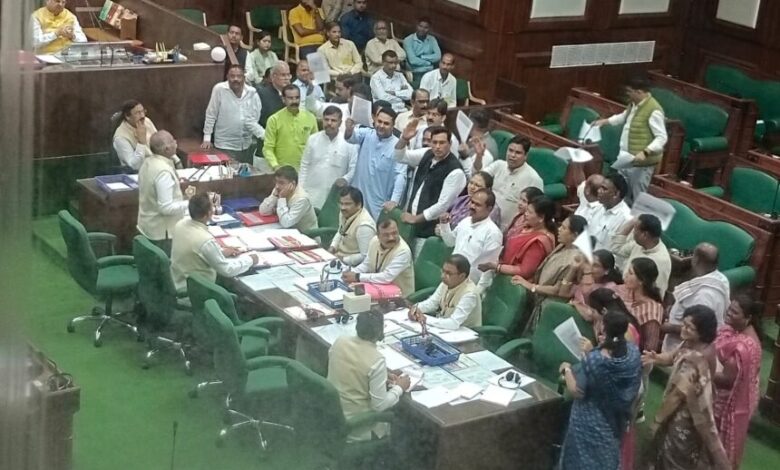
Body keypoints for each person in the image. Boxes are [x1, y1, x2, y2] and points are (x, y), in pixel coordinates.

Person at [642, 305, 731, 470]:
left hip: (685, 415)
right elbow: (673, 356)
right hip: (684, 408)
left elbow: (678, 395)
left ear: (702, 332)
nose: (684, 329)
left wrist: (657, 421)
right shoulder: (691, 343)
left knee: (674, 456)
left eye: (690, 327)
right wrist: (655, 358)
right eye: (684, 324)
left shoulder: (697, 358)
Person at [558, 311, 642, 470]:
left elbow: (577, 391)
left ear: (603, 329)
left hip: (590, 420)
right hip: (615, 420)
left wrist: (567, 370)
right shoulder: (632, 353)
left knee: (580, 460)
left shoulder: (596, 360)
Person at [327, 310, 411, 441]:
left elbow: (349, 368)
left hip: (333, 415)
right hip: (356, 425)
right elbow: (380, 406)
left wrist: (382, 375)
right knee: (405, 416)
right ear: (380, 332)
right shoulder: (376, 360)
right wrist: (400, 388)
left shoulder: (340, 342)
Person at [593, 76, 668, 204]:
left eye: (629, 91)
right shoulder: (634, 104)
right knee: (621, 190)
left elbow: (662, 137)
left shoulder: (654, 110)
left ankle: (639, 221)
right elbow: (623, 117)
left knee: (638, 195)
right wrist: (605, 121)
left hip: (641, 163)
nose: (627, 94)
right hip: (626, 158)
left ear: (639, 92)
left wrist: (645, 152)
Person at [512, 215, 587, 334]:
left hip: (550, 306)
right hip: (540, 299)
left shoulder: (575, 258)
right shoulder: (563, 246)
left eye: (564, 228)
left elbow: (558, 290)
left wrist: (531, 286)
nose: (559, 229)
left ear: (575, 235)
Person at [170, 193, 259, 291]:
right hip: (196, 293)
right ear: (207, 214)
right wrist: (250, 260)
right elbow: (227, 270)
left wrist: (220, 252)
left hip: (178, 282)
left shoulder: (180, 224)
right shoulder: (205, 240)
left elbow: (196, 252)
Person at [713, 295, 762, 469]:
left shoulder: (745, 345)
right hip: (731, 393)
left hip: (731, 401)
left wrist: (701, 370)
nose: (729, 313)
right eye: (730, 308)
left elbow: (727, 381)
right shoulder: (733, 331)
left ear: (748, 318)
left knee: (718, 444)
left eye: (735, 312)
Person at [394, 126, 466, 240]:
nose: (437, 147)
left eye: (442, 143)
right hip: (411, 223)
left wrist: (416, 219)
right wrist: (404, 139)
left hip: (429, 231)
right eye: (434, 142)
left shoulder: (455, 171)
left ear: (450, 144)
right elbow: (399, 157)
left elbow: (442, 205)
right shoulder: (427, 153)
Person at [662, 243, 730, 352]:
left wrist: (670, 327)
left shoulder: (703, 296)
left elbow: (699, 331)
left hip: (685, 350)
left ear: (696, 260)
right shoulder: (721, 279)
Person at [137, 131, 194, 254]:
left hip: (147, 225)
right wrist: (190, 203)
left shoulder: (147, 162)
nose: (176, 142)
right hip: (162, 234)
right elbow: (166, 208)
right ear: (167, 148)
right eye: (173, 140)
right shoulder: (163, 172)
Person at [478, 196, 556, 283]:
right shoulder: (527, 226)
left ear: (541, 218)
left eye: (530, 212)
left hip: (514, 283)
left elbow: (525, 271)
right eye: (526, 210)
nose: (525, 214)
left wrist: (497, 267)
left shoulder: (539, 242)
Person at [346, 108, 405, 219]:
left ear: (393, 126)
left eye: (386, 123)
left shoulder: (398, 145)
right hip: (357, 195)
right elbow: (350, 138)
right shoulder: (367, 133)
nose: (381, 125)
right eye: (379, 121)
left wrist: (394, 201)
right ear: (375, 121)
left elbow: (400, 176)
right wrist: (349, 129)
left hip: (378, 201)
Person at [201, 64, 264, 164]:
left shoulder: (252, 93)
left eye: (239, 76)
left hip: (247, 145)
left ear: (244, 77)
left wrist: (261, 135)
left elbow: (255, 118)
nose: (236, 79)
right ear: (227, 77)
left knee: (246, 176)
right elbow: (211, 114)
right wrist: (207, 138)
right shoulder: (219, 89)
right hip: (225, 145)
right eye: (232, 76)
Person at [439, 189, 503, 285]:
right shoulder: (465, 221)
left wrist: (476, 293)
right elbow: (450, 242)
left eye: (477, 205)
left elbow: (488, 271)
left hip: (469, 285)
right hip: (450, 277)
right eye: (472, 202)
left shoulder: (493, 233)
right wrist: (444, 224)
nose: (472, 206)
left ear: (489, 209)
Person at [479, 136, 543, 230]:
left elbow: (537, 210)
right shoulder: (499, 165)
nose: (512, 155)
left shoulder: (534, 179)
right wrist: (479, 156)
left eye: (518, 153)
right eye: (510, 150)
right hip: (484, 220)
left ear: (526, 156)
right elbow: (479, 178)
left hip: (508, 229)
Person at [299, 106, 357, 209]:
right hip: (311, 194)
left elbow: (353, 169)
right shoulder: (313, 139)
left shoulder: (349, 143)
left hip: (335, 197)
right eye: (326, 119)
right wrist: (300, 190)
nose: (329, 123)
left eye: (333, 120)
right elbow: (304, 166)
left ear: (340, 122)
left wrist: (345, 179)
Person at [342, 219, 415, 296]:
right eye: (386, 235)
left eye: (394, 233)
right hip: (377, 288)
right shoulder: (374, 241)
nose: (391, 238)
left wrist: (357, 277)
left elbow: (386, 277)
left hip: (400, 297)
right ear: (378, 235)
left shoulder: (403, 251)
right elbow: (367, 264)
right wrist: (352, 272)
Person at [408, 255, 482, 330]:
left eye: (448, 273)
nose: (443, 276)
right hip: (444, 328)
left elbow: (453, 323)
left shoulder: (470, 294)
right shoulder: (446, 283)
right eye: (443, 271)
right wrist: (415, 309)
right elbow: (432, 303)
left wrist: (424, 319)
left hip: (464, 335)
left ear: (462, 276)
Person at [611, 214, 671, 295]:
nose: (632, 233)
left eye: (635, 230)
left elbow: (657, 293)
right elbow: (616, 248)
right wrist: (631, 223)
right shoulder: (640, 244)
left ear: (644, 235)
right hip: (623, 289)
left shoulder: (660, 260)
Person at [262, 85, 318, 170]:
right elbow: (268, 148)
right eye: (290, 98)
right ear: (283, 99)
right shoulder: (274, 120)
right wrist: (276, 166)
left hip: (305, 170)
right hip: (282, 170)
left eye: (297, 97)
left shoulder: (310, 117)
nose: (294, 101)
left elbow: (316, 145)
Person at [616, 257, 665, 353]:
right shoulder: (622, 291)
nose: (625, 275)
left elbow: (650, 349)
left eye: (630, 273)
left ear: (641, 280)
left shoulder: (652, 310)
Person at [257, 165, 318, 232]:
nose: (277, 186)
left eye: (281, 182)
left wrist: (281, 198)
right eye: (276, 181)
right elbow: (263, 211)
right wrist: (274, 196)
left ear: (293, 184)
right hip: (287, 231)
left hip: (306, 236)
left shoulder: (301, 199)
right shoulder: (278, 190)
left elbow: (286, 223)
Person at [329, 186, 376, 267]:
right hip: (338, 257)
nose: (343, 207)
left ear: (359, 205)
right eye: (341, 203)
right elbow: (340, 232)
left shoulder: (364, 225)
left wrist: (343, 259)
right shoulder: (345, 213)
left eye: (347, 204)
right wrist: (332, 247)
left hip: (353, 266)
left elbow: (365, 256)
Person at [113, 100, 163, 172]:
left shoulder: (147, 121)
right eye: (137, 113)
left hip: (158, 165)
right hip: (139, 173)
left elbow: (160, 143)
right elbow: (134, 166)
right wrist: (141, 143)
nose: (142, 116)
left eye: (143, 111)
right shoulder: (120, 137)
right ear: (127, 116)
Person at [588, 173, 631, 252]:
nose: (598, 191)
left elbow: (617, 251)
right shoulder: (597, 207)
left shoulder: (626, 219)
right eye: (600, 187)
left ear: (615, 194)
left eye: (604, 189)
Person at [457, 109, 499, 175]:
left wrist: (464, 156)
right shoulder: (473, 139)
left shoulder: (486, 150)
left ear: (473, 124)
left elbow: (475, 174)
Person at [258, 62, 293, 127]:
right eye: (283, 75)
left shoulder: (292, 92)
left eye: (288, 75)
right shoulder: (262, 93)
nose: (286, 78)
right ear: (273, 76)